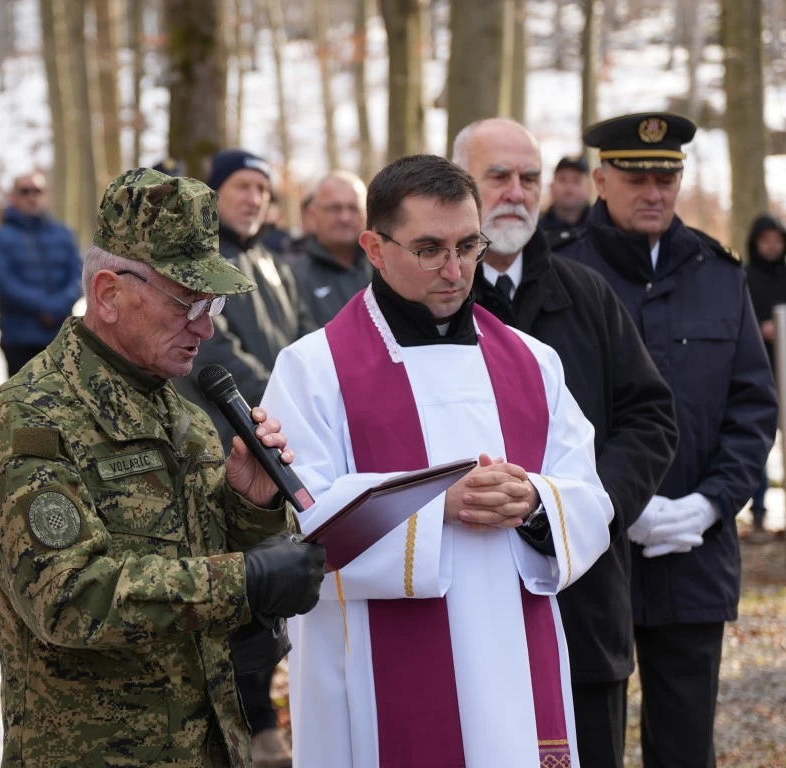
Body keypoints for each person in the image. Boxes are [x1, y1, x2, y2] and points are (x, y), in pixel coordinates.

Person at [0, 168, 326, 767]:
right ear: (108, 293)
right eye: (187, 303)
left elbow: (210, 567)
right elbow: (69, 597)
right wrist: (246, 577)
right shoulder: (28, 422)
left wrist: (251, 506)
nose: (205, 327)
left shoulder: (183, 416)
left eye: (213, 305)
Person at [263, 154, 613, 768]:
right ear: (374, 246)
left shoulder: (534, 363)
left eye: (468, 246)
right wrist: (433, 502)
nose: (455, 270)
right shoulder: (313, 369)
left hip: (513, 652)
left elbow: (587, 495)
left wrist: (534, 502)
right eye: (429, 249)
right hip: (376, 667)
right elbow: (296, 523)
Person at [455, 118, 678, 768]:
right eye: (498, 176)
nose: (517, 193)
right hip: (466, 604)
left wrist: (580, 508)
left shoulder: (587, 295)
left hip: (581, 600)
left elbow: (651, 416)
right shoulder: (426, 302)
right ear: (460, 183)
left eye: (530, 178)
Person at [558, 112, 777, 768]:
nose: (654, 191)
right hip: (592, 554)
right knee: (587, 738)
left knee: (686, 744)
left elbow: (753, 407)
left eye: (668, 176)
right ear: (601, 179)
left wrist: (711, 505)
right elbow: (547, 415)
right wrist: (618, 503)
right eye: (636, 177)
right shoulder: (561, 277)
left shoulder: (719, 272)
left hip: (694, 548)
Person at [175, 148, 308, 767]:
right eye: (242, 186)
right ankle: (250, 719)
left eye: (263, 188)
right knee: (236, 579)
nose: (254, 198)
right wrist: (291, 399)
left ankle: (261, 710)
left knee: (270, 579)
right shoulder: (205, 265)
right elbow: (215, 356)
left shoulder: (272, 263)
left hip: (270, 437)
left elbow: (304, 342)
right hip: (220, 439)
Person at [0, 171, 82, 376]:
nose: (32, 196)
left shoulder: (63, 234)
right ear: (13, 196)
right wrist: (43, 307)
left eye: (37, 191)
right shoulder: (0, 238)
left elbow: (78, 275)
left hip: (61, 336)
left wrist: (59, 306)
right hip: (20, 339)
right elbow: (4, 283)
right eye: (25, 191)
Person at [743, 213, 786, 543]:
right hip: (760, 374)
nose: (771, 247)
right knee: (758, 443)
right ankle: (757, 511)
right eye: (765, 241)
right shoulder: (745, 278)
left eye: (777, 240)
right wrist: (761, 331)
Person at [288, 171, 374, 327]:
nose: (345, 218)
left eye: (354, 208)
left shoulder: (386, 269)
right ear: (312, 214)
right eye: (335, 208)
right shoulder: (291, 276)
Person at [538, 154, 592, 250]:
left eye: (576, 181)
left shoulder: (600, 227)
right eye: (562, 180)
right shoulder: (536, 231)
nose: (569, 187)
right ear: (551, 187)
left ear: (589, 189)